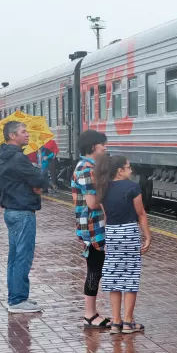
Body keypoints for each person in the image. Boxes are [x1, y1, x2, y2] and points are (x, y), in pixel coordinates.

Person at [94, 155, 152, 335]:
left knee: (113, 277)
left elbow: (106, 215)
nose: (131, 170)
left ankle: (115, 322)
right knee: (130, 277)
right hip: (128, 233)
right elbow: (140, 213)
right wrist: (147, 236)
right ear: (120, 170)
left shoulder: (102, 188)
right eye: (128, 167)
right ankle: (128, 322)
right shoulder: (132, 187)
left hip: (111, 233)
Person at [0, 121, 48, 313]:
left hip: (11, 210)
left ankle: (15, 297)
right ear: (12, 136)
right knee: (23, 257)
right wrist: (38, 179)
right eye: (23, 132)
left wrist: (33, 181)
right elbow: (39, 179)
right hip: (22, 212)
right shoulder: (18, 158)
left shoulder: (3, 155)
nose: (27, 134)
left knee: (14, 257)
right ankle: (18, 300)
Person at [71, 130, 111, 330]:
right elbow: (93, 203)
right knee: (94, 269)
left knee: (96, 268)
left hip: (94, 225)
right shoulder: (87, 169)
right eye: (103, 144)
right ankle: (89, 314)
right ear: (94, 146)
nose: (105, 147)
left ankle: (92, 313)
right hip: (93, 226)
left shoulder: (88, 167)